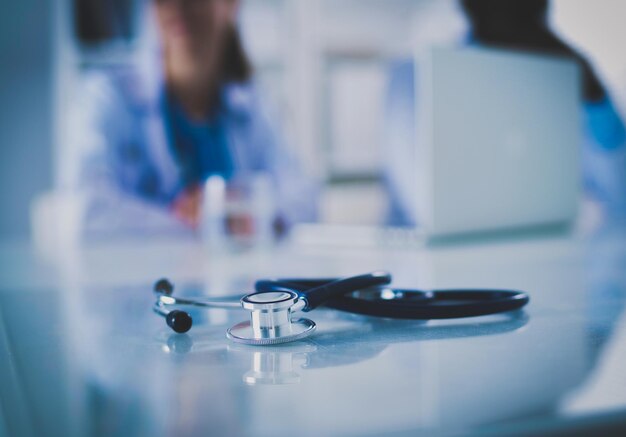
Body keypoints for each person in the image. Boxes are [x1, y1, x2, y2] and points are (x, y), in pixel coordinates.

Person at [64, 0, 317, 238]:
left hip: (239, 280)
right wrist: (194, 221)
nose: (178, 7)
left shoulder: (252, 104)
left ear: (231, 4)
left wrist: (253, 212)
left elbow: (305, 198)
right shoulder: (107, 95)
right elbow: (87, 210)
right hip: (143, 280)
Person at [385, 0, 626, 226]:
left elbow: (620, 192)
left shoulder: (559, 81)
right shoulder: (417, 74)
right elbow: (424, 204)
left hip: (543, 254)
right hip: (426, 261)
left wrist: (593, 92)